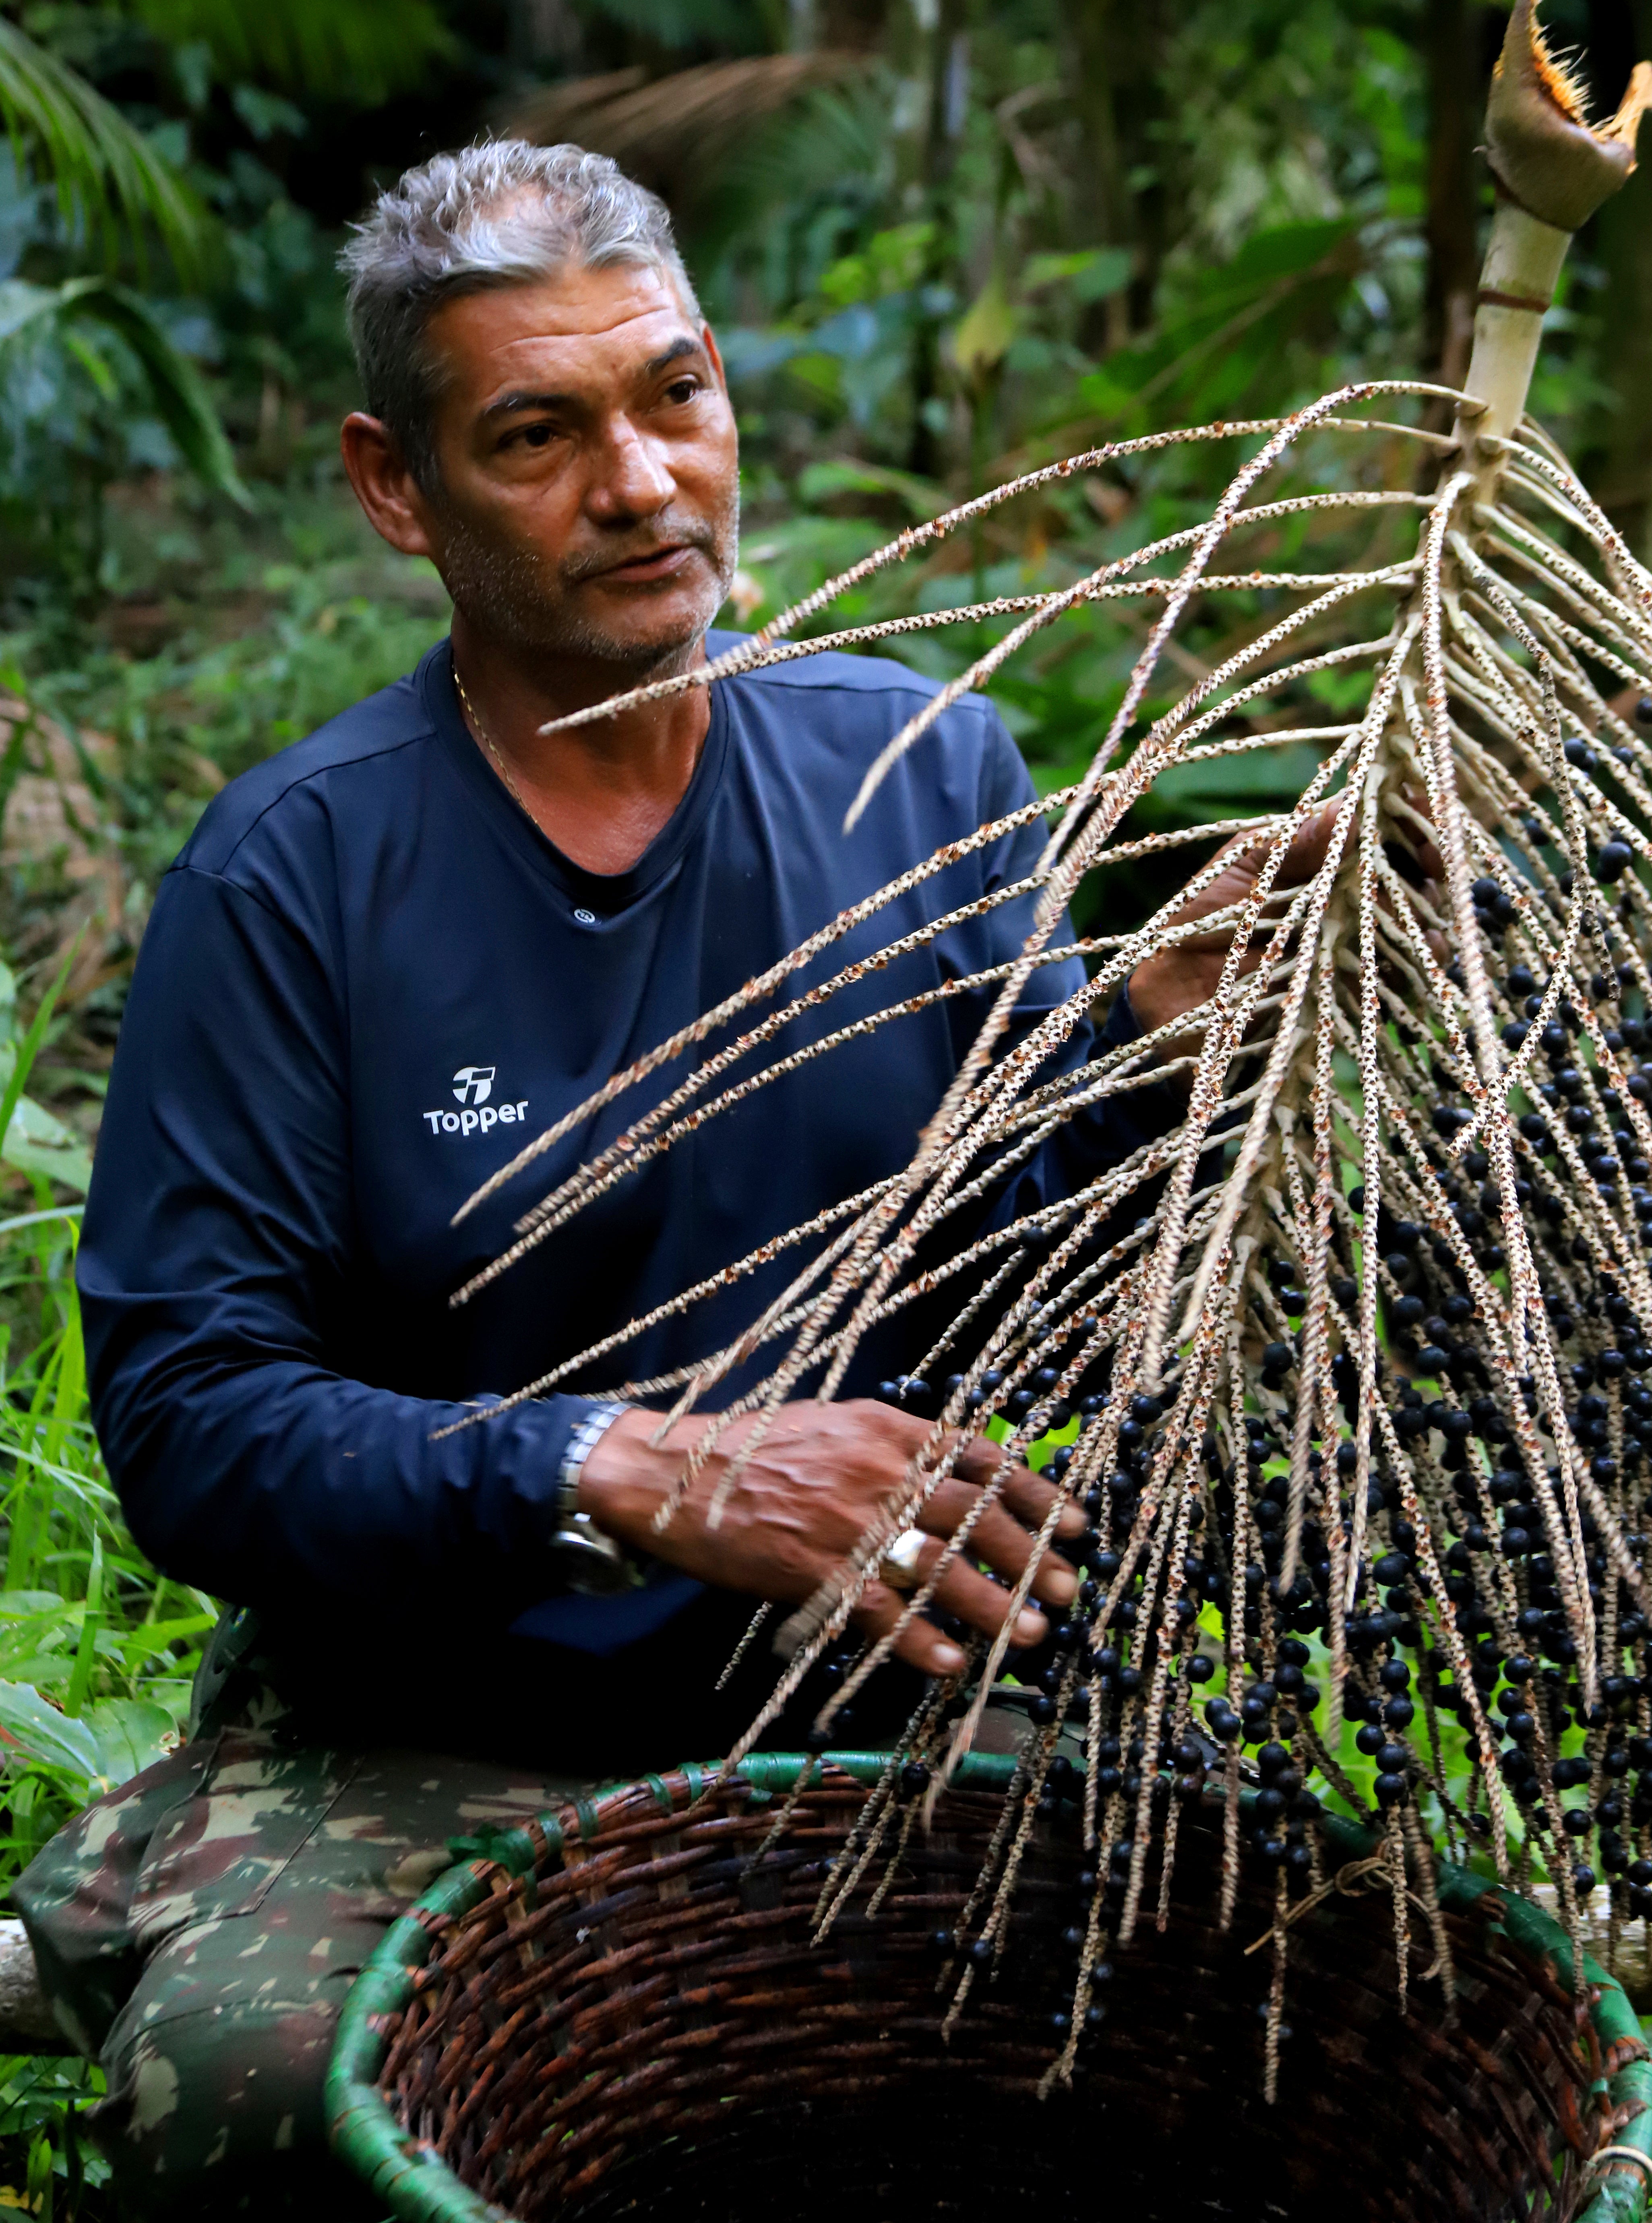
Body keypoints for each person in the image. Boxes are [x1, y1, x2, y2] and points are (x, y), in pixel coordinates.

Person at [12, 141, 1334, 2217]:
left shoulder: (922, 776)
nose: (639, 482)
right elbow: (196, 1428)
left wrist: (1160, 1050)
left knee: (1252, 2001)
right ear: (395, 483)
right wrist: (639, 1471)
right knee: (273, 2083)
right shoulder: (296, 877)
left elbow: (1018, 1260)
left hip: (876, 1694)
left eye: (677, 397)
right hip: (429, 1723)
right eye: (538, 434)